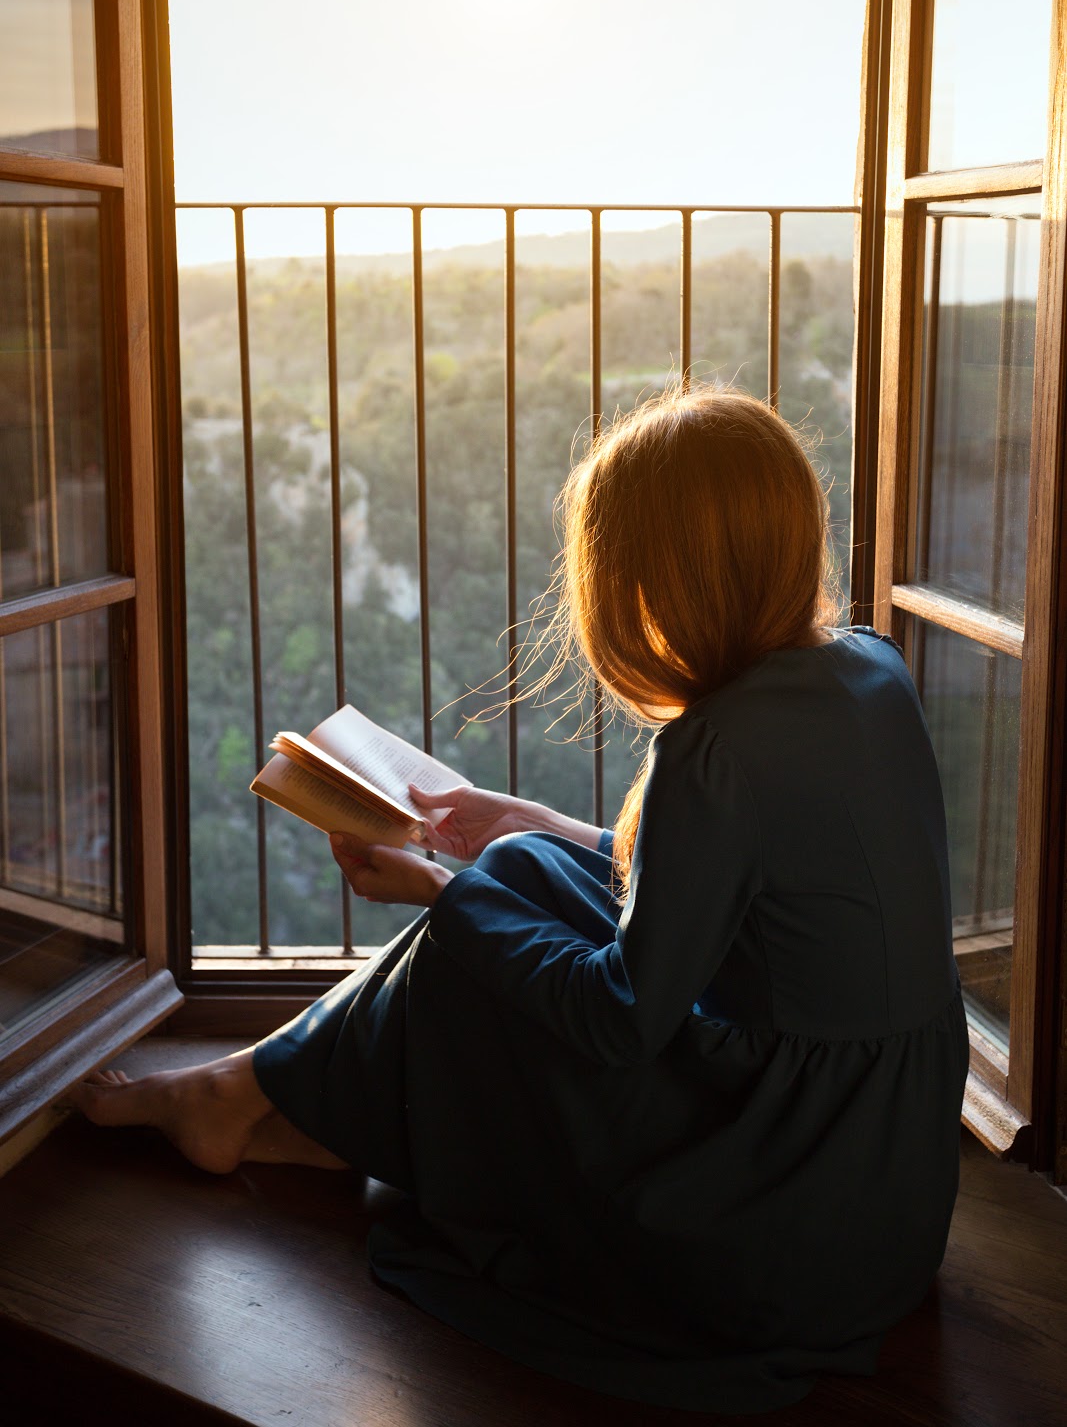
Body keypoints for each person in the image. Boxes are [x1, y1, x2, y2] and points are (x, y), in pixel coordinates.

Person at [69, 385, 969, 1414]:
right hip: (883, 1185)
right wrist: (526, 820)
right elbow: (738, 899)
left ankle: (244, 1098)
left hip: (775, 1208)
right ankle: (255, 1094)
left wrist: (439, 893)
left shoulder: (713, 747)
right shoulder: (865, 669)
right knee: (526, 870)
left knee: (483, 917)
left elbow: (619, 1014)